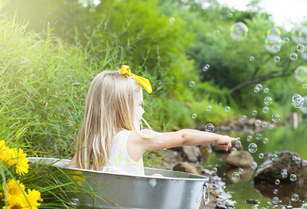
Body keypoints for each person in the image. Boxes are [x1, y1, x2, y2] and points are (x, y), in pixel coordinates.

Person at [68, 65, 237, 175]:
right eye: (140, 104)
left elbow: (70, 175)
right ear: (123, 107)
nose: (142, 110)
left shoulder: (88, 141)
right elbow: (182, 137)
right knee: (157, 178)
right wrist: (216, 137)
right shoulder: (135, 139)